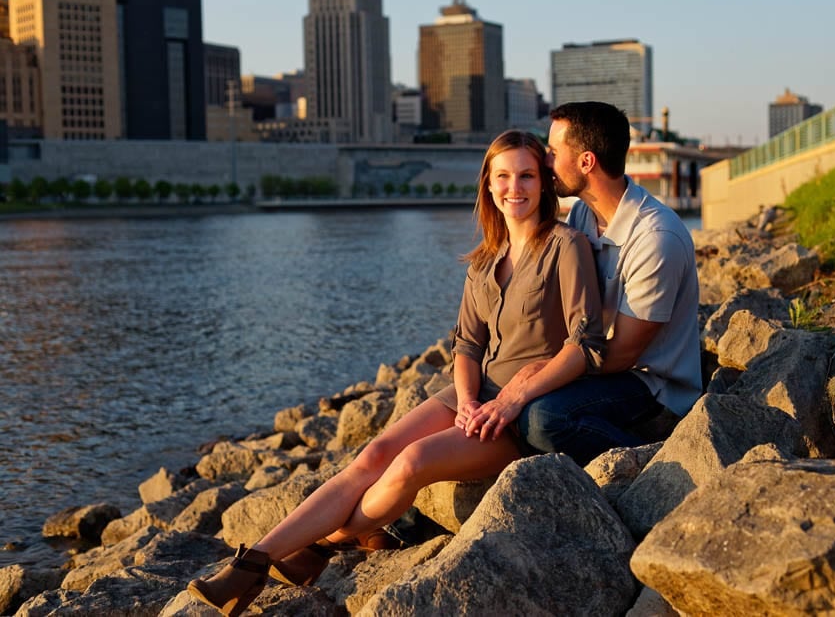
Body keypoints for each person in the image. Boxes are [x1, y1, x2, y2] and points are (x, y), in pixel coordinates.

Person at [186, 130, 605, 615]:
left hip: (520, 408)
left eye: (527, 175)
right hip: (474, 394)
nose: (516, 187)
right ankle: (253, 562)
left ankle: (318, 547)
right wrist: (467, 400)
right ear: (488, 187)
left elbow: (585, 344)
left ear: (544, 182)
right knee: (377, 452)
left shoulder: (566, 246)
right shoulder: (485, 259)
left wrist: (506, 400)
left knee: (410, 464)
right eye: (503, 176)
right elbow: (467, 344)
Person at [501, 101, 703, 466]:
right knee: (506, 389)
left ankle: (652, 466)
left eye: (553, 152)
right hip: (592, 361)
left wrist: (539, 374)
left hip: (652, 386)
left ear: (586, 162)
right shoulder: (582, 214)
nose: (545, 162)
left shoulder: (656, 237)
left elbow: (624, 354)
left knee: (544, 418)